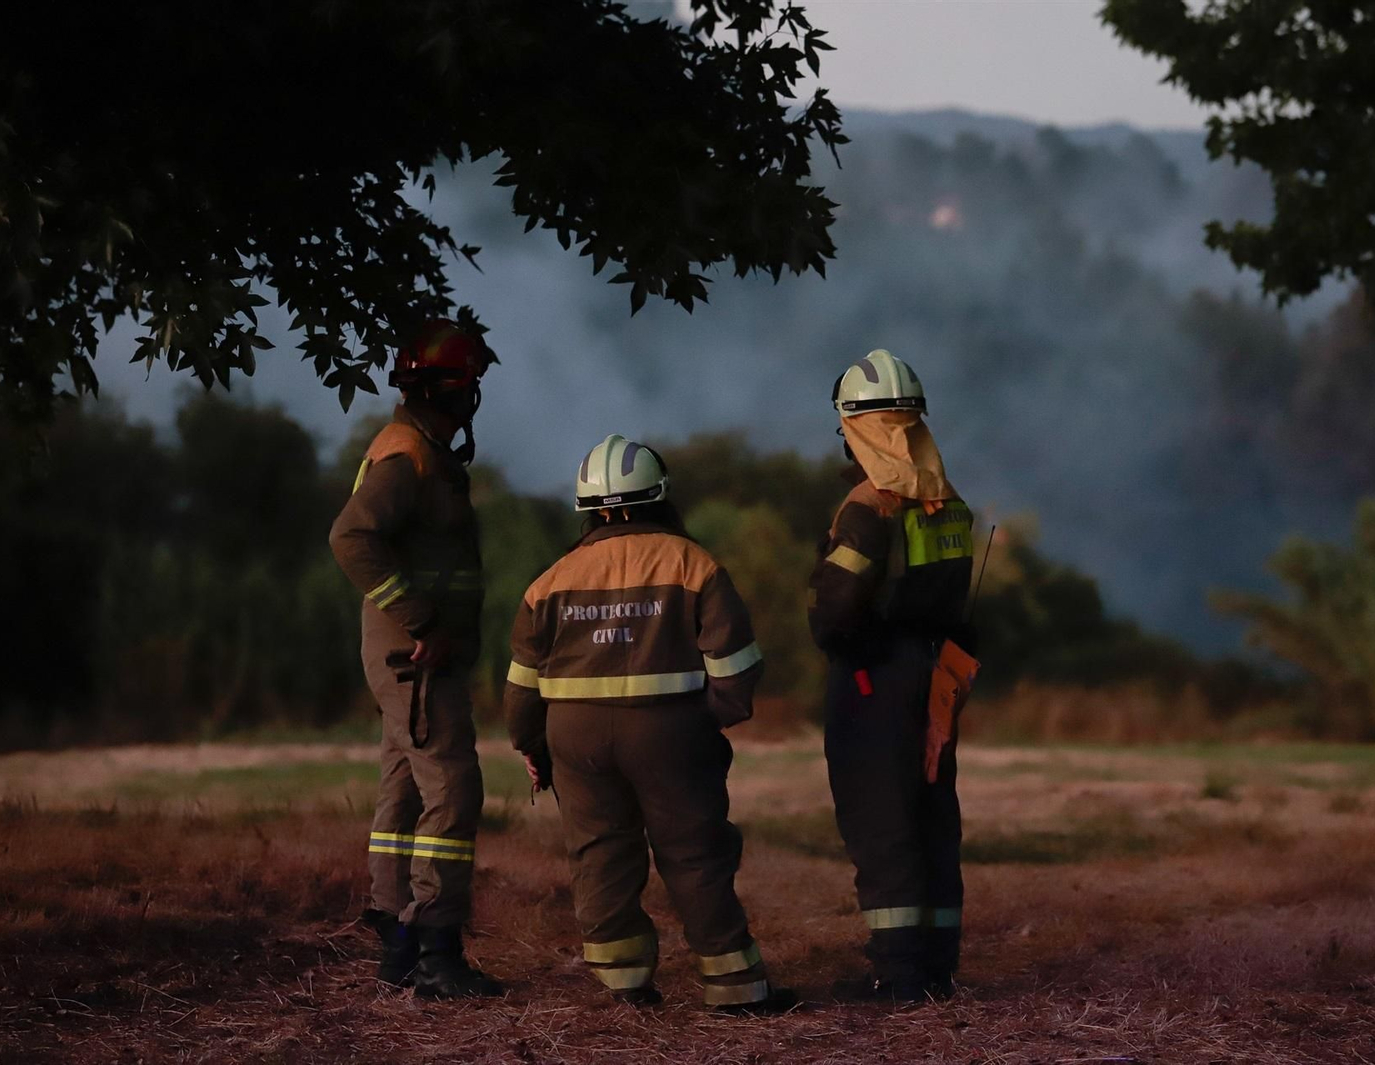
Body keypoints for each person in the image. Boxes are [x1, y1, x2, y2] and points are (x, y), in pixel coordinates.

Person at [502, 434, 796, 1013]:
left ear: (586, 509)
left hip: (575, 739)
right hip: (671, 733)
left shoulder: (549, 581)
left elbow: (519, 690)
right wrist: (701, 724)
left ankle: (622, 987)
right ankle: (735, 988)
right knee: (694, 854)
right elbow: (736, 674)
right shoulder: (695, 564)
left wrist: (535, 747)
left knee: (599, 855)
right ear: (661, 496)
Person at [328, 318, 503, 998]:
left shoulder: (419, 448)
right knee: (453, 790)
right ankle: (436, 948)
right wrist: (422, 618)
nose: (478, 393)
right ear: (452, 387)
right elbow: (351, 536)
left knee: (403, 789)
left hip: (413, 656)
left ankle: (398, 936)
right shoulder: (408, 457)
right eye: (474, 380)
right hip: (416, 656)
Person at [809, 349, 976, 1003]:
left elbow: (839, 606)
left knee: (882, 821)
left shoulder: (867, 505)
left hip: (873, 679)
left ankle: (899, 974)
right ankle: (936, 967)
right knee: (933, 813)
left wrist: (834, 637)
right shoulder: (949, 501)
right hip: (936, 673)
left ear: (853, 427)